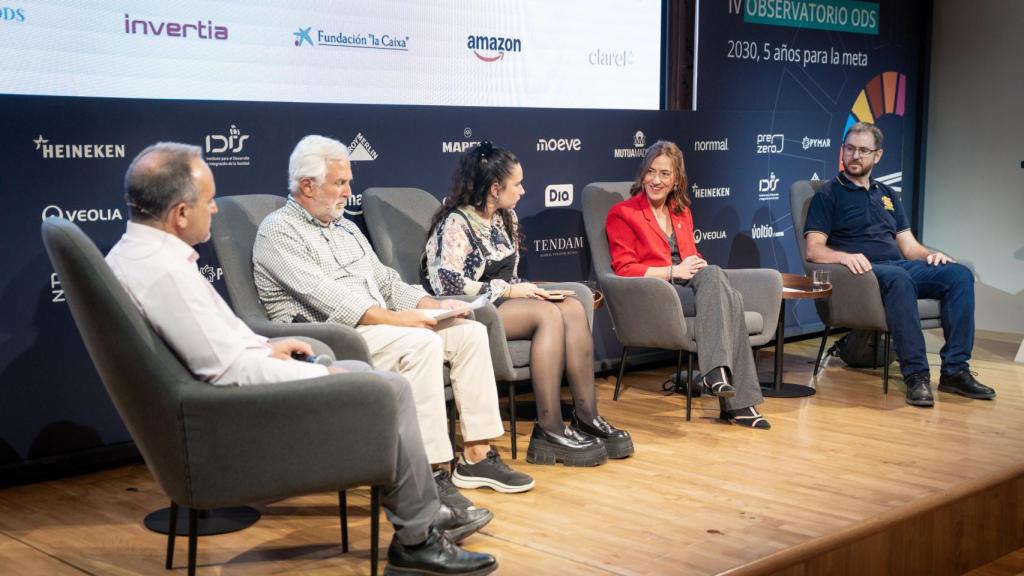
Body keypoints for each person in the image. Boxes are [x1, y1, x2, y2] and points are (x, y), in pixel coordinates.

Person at [106, 142, 497, 576]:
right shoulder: (168, 272)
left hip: (249, 379)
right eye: (209, 201)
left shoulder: (145, 257)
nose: (215, 211)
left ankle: (427, 517)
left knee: (403, 368)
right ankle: (421, 531)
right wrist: (313, 370)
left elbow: (216, 347)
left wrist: (268, 348)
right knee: (387, 387)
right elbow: (229, 369)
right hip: (235, 409)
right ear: (180, 213)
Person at [253, 135, 535, 509]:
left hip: (379, 328)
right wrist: (401, 320)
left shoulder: (346, 228)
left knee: (468, 332)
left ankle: (476, 457)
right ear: (307, 186)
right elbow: (326, 296)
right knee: (423, 343)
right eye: (340, 183)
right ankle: (431, 472)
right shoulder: (278, 231)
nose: (349, 191)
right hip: (332, 339)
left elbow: (386, 282)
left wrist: (434, 304)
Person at [423, 142, 634, 466]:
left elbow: (511, 276)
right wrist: (508, 292)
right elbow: (445, 282)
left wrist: (530, 289)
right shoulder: (455, 223)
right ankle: (548, 429)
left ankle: (586, 416)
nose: (523, 191)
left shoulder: (505, 217)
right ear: (495, 188)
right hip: (464, 309)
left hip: (499, 303)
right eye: (516, 184)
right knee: (548, 315)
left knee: (572, 307)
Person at [804, 122, 993, 407]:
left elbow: (909, 247)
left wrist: (929, 256)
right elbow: (813, 249)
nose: (855, 156)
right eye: (850, 149)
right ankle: (916, 375)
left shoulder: (888, 195)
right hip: (861, 274)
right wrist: (844, 256)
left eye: (863, 150)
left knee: (958, 274)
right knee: (898, 278)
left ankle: (956, 371)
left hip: (896, 265)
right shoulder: (828, 195)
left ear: (877, 155)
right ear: (842, 152)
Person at [605, 140, 770, 429]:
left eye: (665, 174)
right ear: (642, 173)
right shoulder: (624, 213)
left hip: (686, 287)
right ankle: (738, 402)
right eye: (651, 172)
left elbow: (691, 257)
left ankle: (720, 378)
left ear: (677, 179)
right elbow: (625, 268)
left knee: (717, 279)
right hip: (656, 294)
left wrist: (698, 267)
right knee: (732, 300)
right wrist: (673, 270)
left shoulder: (680, 212)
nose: (656, 180)